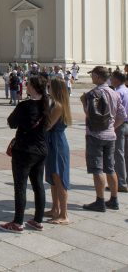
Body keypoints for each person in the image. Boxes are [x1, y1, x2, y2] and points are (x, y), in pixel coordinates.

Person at [0, 75, 50, 233]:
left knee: (20, 186)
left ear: (34, 88)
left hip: (24, 150)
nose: (26, 85)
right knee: (38, 185)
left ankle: (18, 222)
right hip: (41, 149)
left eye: (28, 84)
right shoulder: (47, 104)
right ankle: (38, 220)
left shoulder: (25, 105)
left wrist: (22, 121)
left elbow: (11, 122)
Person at [81, 66, 126, 211]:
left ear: (99, 77)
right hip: (110, 136)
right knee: (110, 168)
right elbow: (122, 116)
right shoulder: (114, 93)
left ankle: (100, 201)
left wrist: (83, 102)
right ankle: (114, 199)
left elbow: (90, 115)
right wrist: (112, 128)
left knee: (97, 169)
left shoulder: (93, 93)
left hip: (95, 135)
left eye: (93, 75)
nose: (91, 77)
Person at [45, 77, 72, 224]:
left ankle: (64, 214)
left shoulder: (58, 106)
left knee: (59, 179)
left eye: (49, 87)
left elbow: (47, 125)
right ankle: (55, 208)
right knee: (53, 179)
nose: (47, 89)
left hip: (57, 143)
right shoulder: (55, 104)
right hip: (52, 142)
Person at [111, 70, 128, 192]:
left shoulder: (117, 93)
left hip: (120, 125)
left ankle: (121, 182)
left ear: (117, 80)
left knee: (118, 154)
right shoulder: (126, 90)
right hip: (127, 124)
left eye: (112, 78)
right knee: (125, 153)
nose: (110, 80)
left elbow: (115, 111)